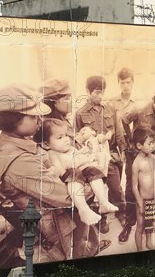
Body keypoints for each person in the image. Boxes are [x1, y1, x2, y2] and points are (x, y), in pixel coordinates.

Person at [0, 84, 78, 267]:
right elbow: (67, 197)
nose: (39, 119)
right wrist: (88, 176)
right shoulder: (18, 160)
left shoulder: (21, 142)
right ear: (13, 120)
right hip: (47, 245)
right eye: (33, 116)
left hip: (52, 232)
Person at [40, 77, 109, 257]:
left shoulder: (62, 120)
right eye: (66, 98)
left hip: (81, 174)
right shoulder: (49, 127)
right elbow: (55, 164)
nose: (71, 101)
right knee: (75, 236)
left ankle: (93, 247)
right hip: (71, 186)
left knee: (84, 224)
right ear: (54, 102)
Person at [35, 118, 118, 226]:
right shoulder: (52, 154)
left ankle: (103, 201)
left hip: (80, 176)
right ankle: (83, 209)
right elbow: (61, 171)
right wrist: (76, 163)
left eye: (66, 135)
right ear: (46, 144)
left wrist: (87, 158)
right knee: (75, 173)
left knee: (93, 171)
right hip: (70, 179)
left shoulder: (71, 149)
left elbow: (82, 158)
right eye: (60, 137)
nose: (66, 140)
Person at [74, 75, 127, 234]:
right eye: (97, 92)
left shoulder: (110, 108)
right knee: (97, 191)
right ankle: (101, 219)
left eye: (103, 92)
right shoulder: (80, 114)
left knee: (116, 188)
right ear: (87, 91)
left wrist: (123, 150)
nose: (101, 96)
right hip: (92, 160)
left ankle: (121, 212)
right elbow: (78, 140)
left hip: (109, 156)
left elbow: (118, 132)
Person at [122, 88, 155, 236]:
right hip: (137, 152)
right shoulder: (138, 109)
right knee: (132, 187)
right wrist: (132, 140)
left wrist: (154, 143)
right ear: (154, 100)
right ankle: (129, 222)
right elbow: (124, 121)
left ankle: (150, 219)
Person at [109, 68, 138, 244]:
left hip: (135, 148)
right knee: (115, 183)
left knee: (131, 183)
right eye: (122, 82)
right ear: (118, 83)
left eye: (129, 82)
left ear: (133, 82)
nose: (126, 85)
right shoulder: (112, 102)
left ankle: (132, 217)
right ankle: (121, 212)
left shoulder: (139, 102)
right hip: (116, 146)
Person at [131, 126, 155, 251]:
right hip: (142, 200)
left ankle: (149, 243)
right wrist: (140, 203)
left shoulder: (153, 158)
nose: (153, 146)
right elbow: (134, 186)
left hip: (152, 198)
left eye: (153, 142)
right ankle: (139, 250)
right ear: (139, 145)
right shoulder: (136, 163)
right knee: (140, 225)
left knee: (150, 223)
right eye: (149, 143)